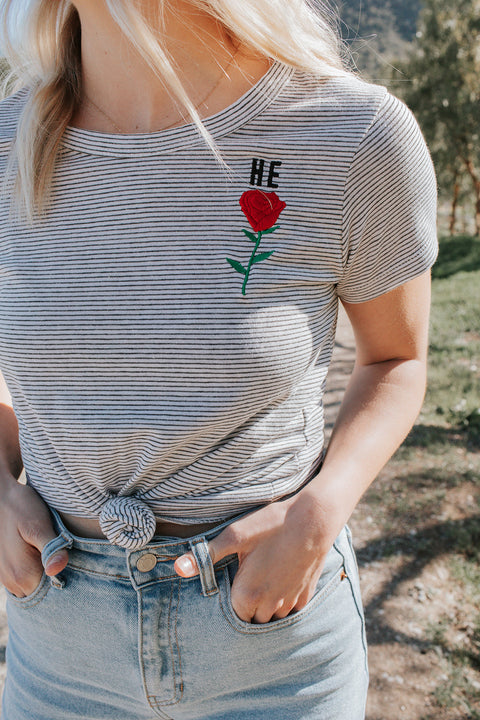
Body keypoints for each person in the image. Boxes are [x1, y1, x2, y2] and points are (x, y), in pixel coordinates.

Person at [0, 1, 437, 718]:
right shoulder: (6, 143)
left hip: (272, 635)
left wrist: (320, 512)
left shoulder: (353, 135)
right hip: (58, 651)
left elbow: (396, 360)